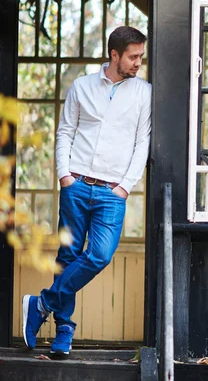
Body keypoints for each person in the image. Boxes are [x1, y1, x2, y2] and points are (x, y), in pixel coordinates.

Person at [22, 26, 152, 356]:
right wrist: (64, 175)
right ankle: (64, 331)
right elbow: (65, 132)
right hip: (76, 185)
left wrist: (125, 187)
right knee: (67, 257)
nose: (139, 62)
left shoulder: (144, 93)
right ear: (114, 55)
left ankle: (41, 304)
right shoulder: (82, 87)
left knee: (99, 256)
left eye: (141, 56)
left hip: (113, 192)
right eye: (133, 56)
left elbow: (142, 144)